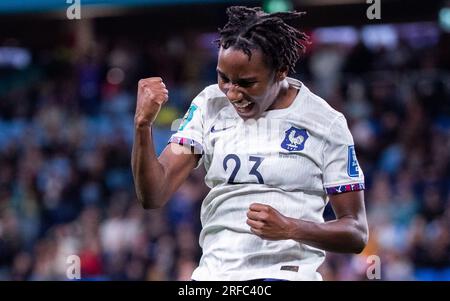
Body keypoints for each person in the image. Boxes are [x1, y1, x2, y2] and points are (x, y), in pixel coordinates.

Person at [132, 6, 368, 281]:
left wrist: (290, 228)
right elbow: (154, 194)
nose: (232, 93)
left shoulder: (325, 123)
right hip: (212, 276)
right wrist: (142, 125)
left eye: (247, 83)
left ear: (280, 72)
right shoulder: (209, 105)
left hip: (285, 275)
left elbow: (356, 233)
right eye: (223, 78)